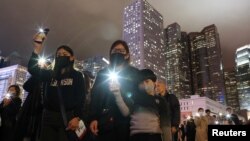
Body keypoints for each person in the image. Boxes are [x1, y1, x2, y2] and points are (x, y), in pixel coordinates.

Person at [28, 34, 86, 141]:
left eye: (65, 54)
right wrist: (37, 49)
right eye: (58, 54)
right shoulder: (50, 74)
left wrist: (77, 117)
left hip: (68, 118)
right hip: (48, 117)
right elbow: (33, 69)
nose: (61, 56)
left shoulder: (77, 75)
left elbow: (81, 98)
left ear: (72, 58)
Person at [89, 40, 139, 141]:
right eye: (115, 50)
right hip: (105, 122)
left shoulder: (135, 73)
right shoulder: (102, 74)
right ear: (110, 53)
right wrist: (93, 118)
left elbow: (138, 98)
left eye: (121, 51)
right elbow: (95, 97)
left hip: (127, 123)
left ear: (127, 55)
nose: (118, 53)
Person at [130, 69, 167, 141]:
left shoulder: (160, 100)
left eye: (147, 81)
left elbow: (165, 124)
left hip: (154, 136)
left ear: (154, 83)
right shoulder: (134, 99)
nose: (144, 84)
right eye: (141, 82)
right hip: (137, 136)